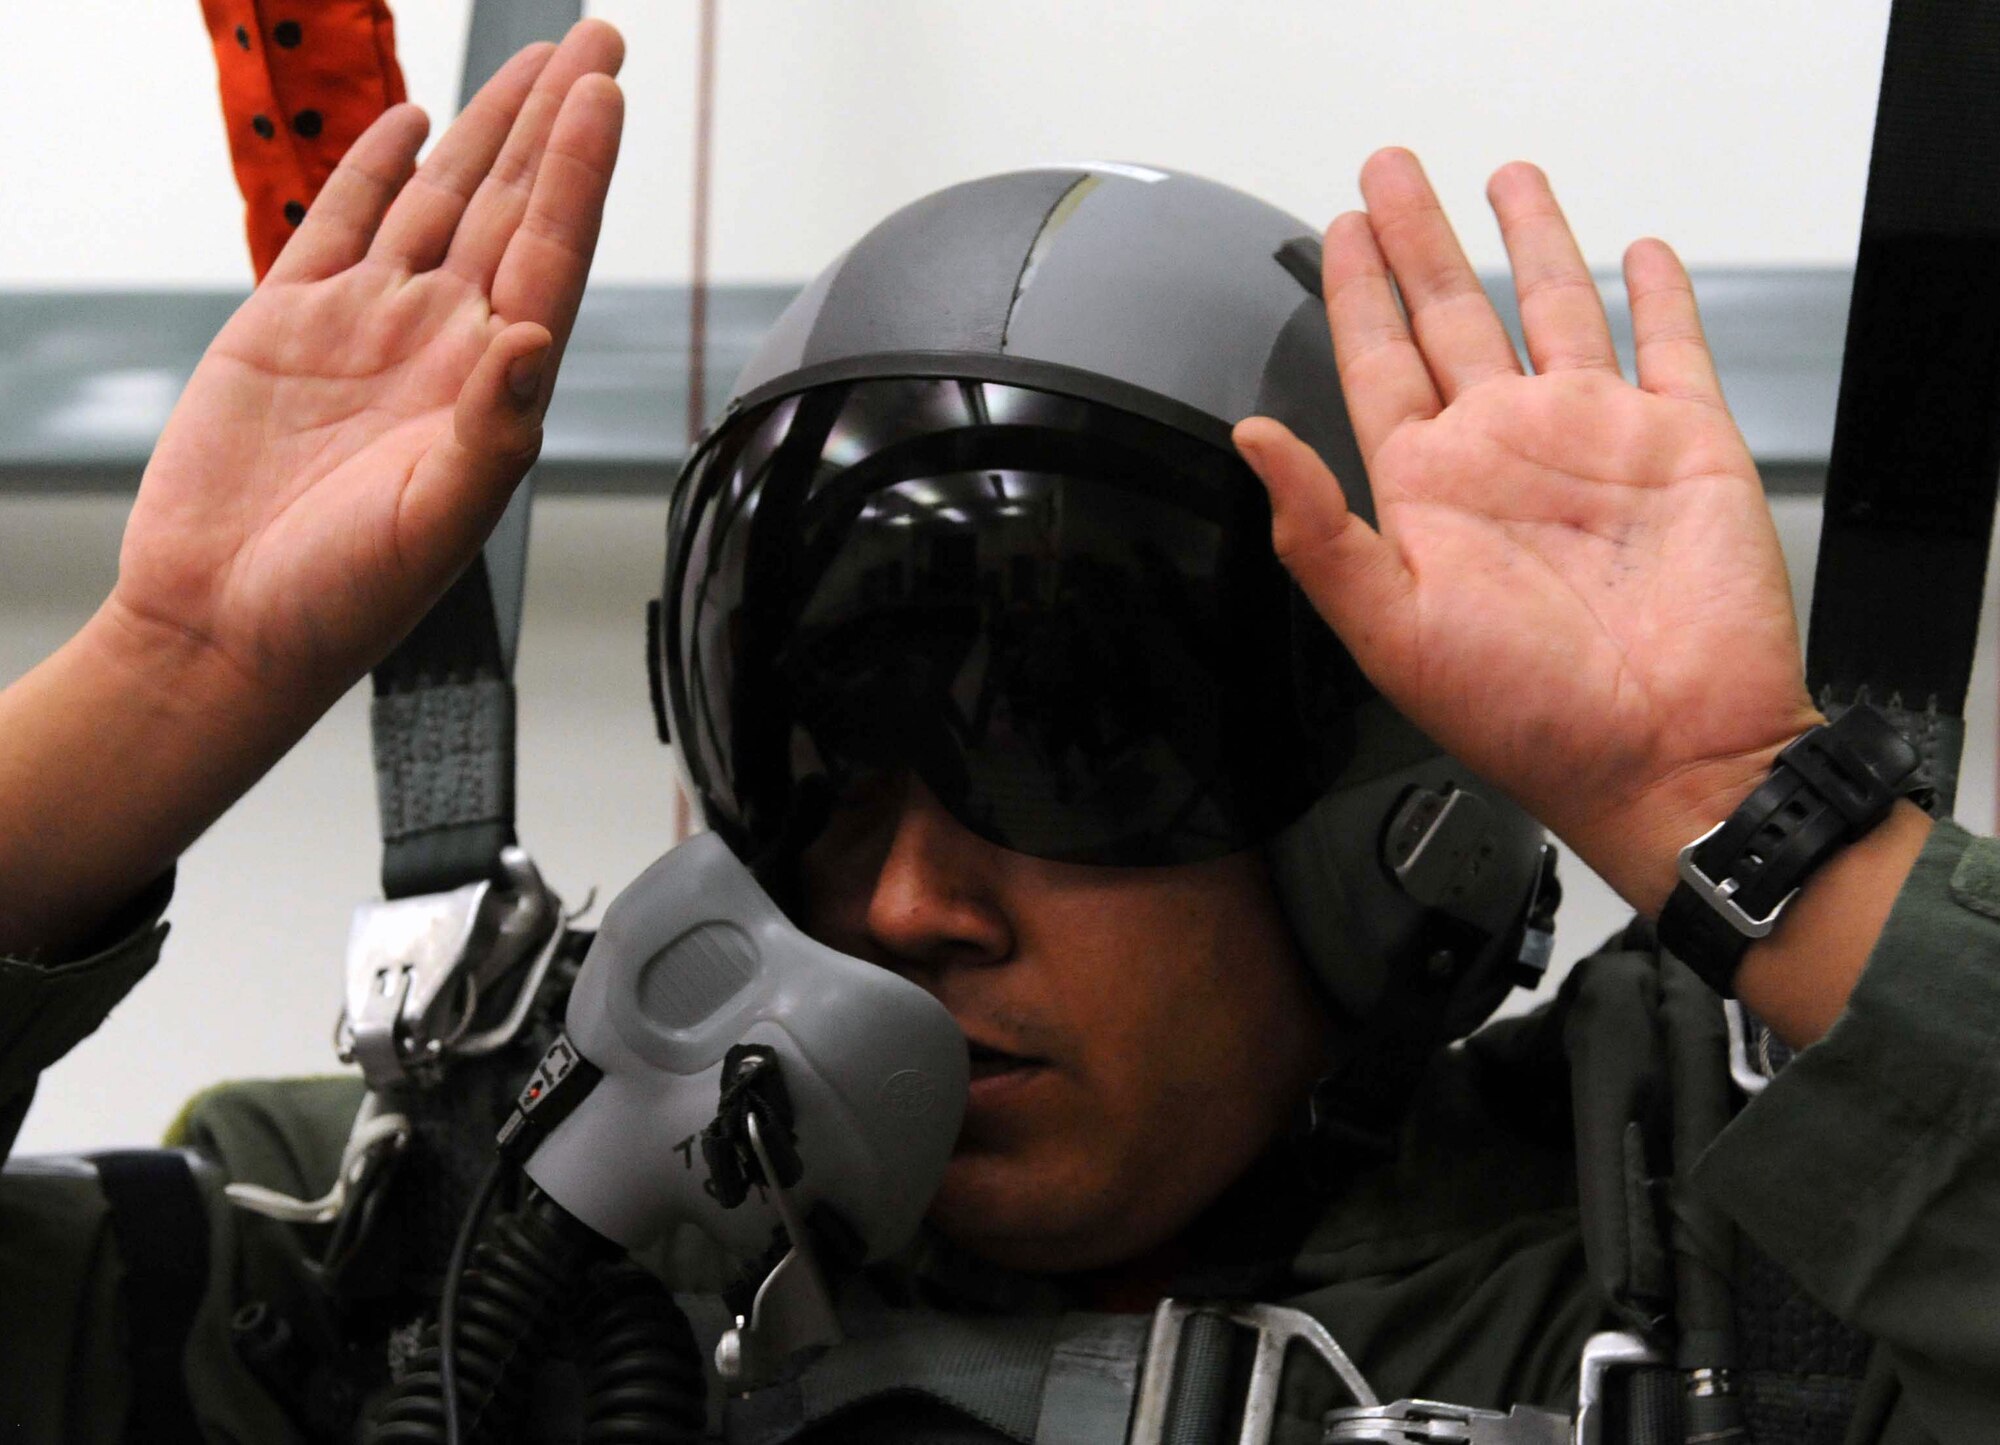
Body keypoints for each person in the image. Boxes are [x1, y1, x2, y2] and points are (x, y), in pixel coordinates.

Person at [2, 22, 1996, 1443]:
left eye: (1070, 746)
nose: (905, 896)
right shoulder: (416, 1251)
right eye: (818, 758)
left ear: (1381, 829)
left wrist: (1724, 803)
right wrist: (162, 682)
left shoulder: (1739, 1274)